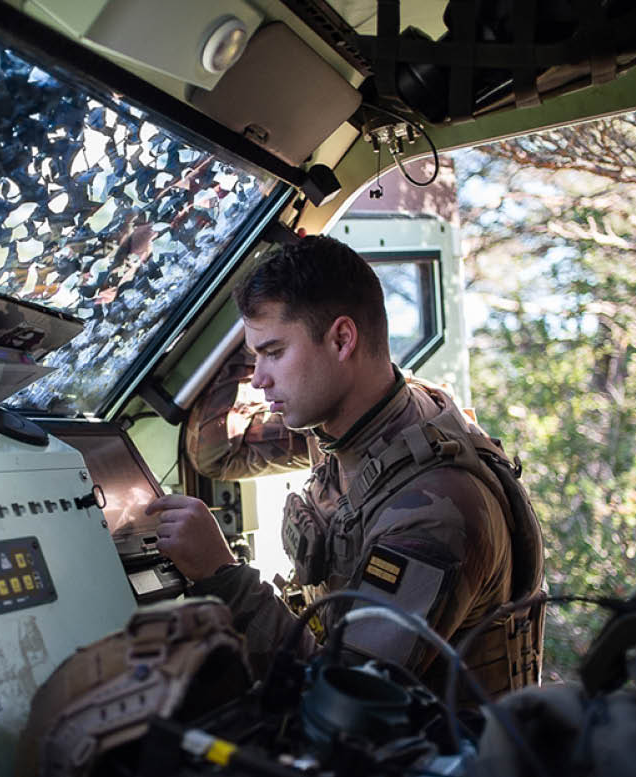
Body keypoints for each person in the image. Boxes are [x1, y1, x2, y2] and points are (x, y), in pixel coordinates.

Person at [144, 234, 545, 699]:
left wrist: (223, 575)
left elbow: (339, 696)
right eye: (255, 357)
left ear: (341, 339)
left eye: (274, 353)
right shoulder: (353, 420)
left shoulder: (434, 509)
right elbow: (218, 448)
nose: (259, 379)